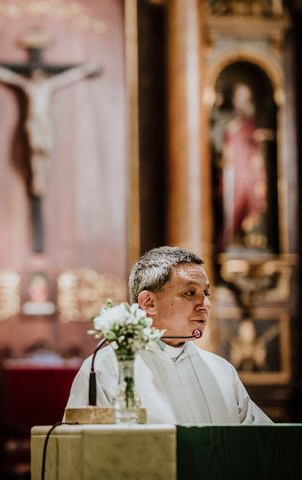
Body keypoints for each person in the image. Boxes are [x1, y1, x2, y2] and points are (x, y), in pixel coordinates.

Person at [66, 246, 272, 424]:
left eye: (206, 293)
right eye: (190, 293)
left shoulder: (222, 371)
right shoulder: (106, 367)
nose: (206, 305)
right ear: (149, 302)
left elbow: (263, 443)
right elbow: (85, 452)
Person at [0, 58, 100, 197]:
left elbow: (68, 77)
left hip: (44, 122)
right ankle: (37, 180)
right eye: (34, 74)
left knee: (47, 150)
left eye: (40, 74)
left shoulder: (48, 85)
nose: (37, 76)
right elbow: (6, 76)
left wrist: (85, 70)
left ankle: (42, 179)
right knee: (35, 149)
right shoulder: (27, 86)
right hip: (33, 121)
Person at [212, 83, 270, 250]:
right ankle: (231, 237)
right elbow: (217, 141)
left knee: (252, 198)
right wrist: (222, 153)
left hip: (249, 169)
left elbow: (256, 146)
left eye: (246, 98)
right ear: (233, 99)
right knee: (233, 199)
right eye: (240, 97)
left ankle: (248, 236)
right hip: (233, 170)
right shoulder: (226, 121)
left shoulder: (251, 123)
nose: (243, 102)